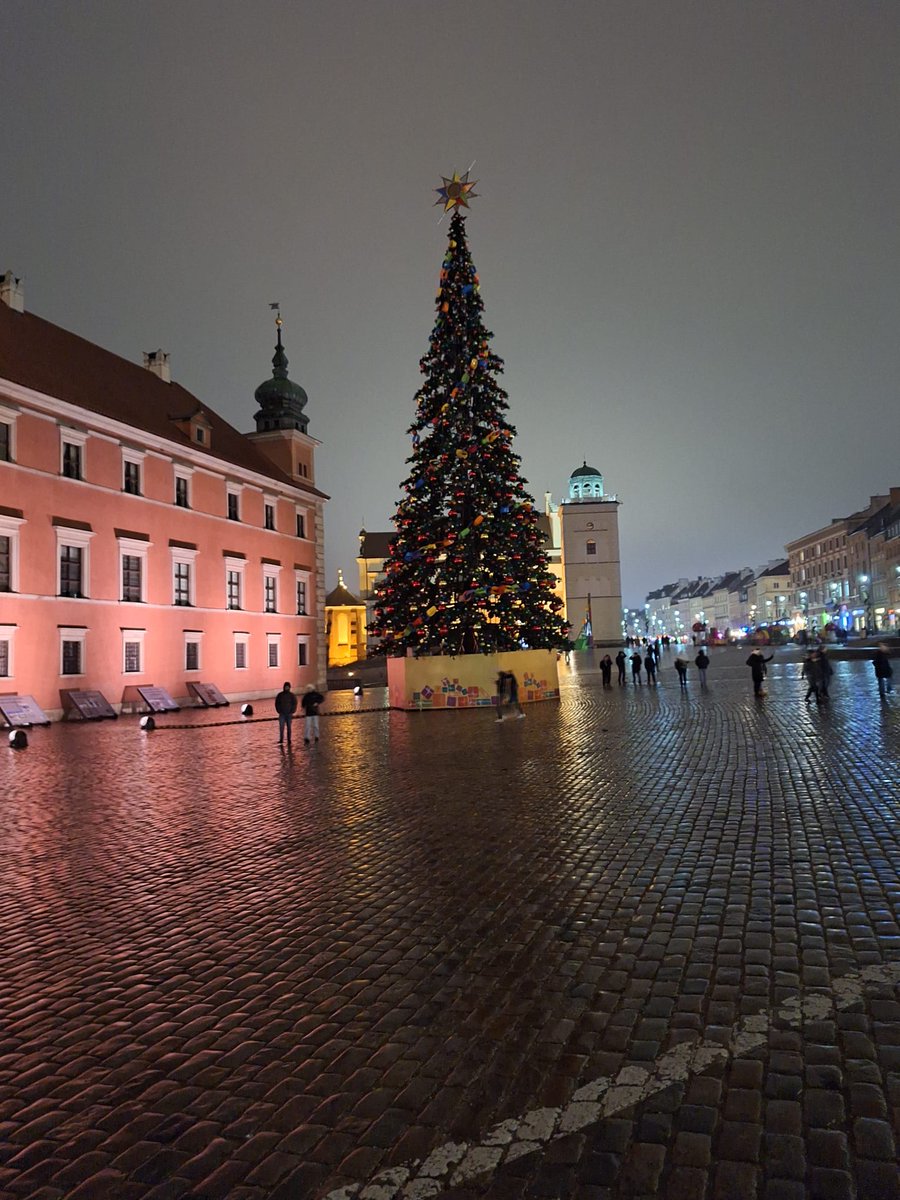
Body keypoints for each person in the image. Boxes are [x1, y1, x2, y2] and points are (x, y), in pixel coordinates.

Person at [274, 681, 298, 747]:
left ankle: (289, 740)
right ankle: (281, 739)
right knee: (281, 727)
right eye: (286, 687)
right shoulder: (280, 695)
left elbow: (295, 703)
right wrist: (279, 711)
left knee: (289, 727)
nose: (286, 688)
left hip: (289, 714)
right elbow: (277, 703)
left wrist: (292, 711)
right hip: (282, 714)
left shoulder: (292, 695)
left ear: (289, 687)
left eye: (287, 687)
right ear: (284, 687)